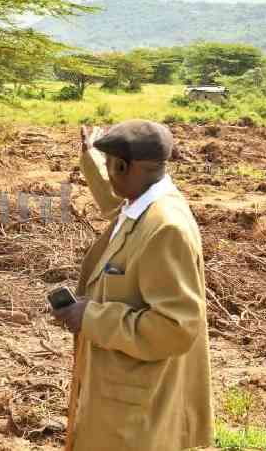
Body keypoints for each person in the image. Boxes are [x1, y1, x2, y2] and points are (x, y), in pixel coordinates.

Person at [52, 120, 213, 451]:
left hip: (139, 410)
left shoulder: (166, 229)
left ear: (123, 166)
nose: (109, 174)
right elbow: (116, 204)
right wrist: (93, 158)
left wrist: (90, 317)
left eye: (112, 166)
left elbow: (176, 327)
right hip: (123, 394)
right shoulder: (145, 202)